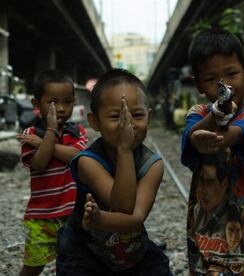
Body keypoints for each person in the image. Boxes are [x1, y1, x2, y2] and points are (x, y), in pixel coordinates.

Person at [56, 69, 172, 275]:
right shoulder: (87, 161)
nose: (126, 124)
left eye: (136, 115)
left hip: (131, 251)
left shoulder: (152, 165)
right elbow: (121, 204)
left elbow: (133, 216)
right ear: (94, 122)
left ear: (149, 117)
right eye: (115, 116)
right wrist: (125, 149)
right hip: (84, 252)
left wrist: (102, 221)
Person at [181, 27, 244, 276]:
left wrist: (214, 124)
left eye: (231, 73)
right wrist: (211, 118)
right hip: (202, 231)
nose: (225, 86)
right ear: (198, 84)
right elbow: (191, 136)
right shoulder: (197, 114)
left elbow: (231, 135)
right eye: (212, 80)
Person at [16, 69, 88, 276]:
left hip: (73, 214)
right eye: (54, 103)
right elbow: (39, 163)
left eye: (68, 101)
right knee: (33, 265)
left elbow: (78, 157)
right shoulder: (31, 135)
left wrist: (45, 144)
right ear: (37, 105)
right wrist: (48, 132)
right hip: (41, 217)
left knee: (71, 263)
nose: (62, 109)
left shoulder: (77, 132)